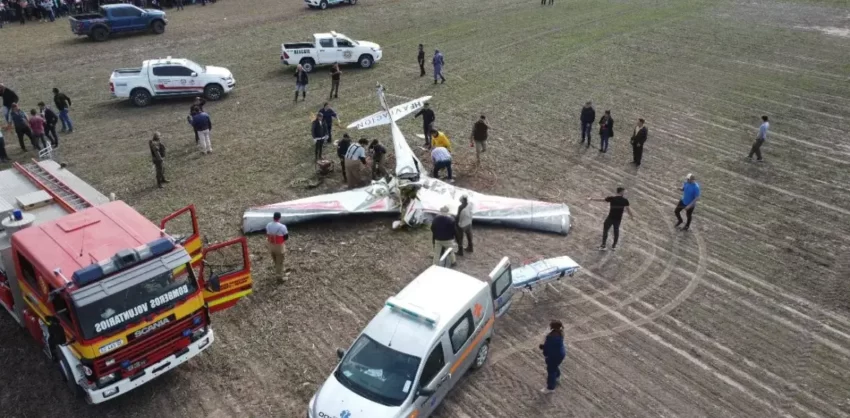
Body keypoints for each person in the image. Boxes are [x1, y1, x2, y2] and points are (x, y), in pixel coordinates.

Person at [539, 320, 566, 393]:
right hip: (561, 353)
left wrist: (543, 348)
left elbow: (548, 347)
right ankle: (557, 376)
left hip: (554, 355)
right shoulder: (560, 333)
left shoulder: (551, 337)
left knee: (551, 370)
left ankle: (550, 388)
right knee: (554, 366)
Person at [265, 212, 289, 281]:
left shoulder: (268, 225)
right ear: (279, 218)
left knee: (275, 259)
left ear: (273, 217)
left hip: (271, 245)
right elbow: (286, 237)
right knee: (280, 261)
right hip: (279, 246)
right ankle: (279, 277)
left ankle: (279, 270)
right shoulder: (282, 227)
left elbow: (267, 234)